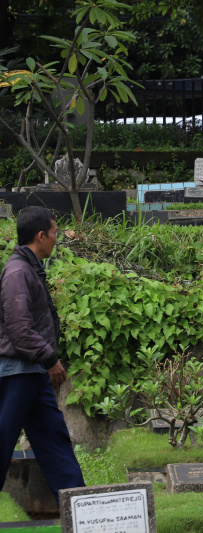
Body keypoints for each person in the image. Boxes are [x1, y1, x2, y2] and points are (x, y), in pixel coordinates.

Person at [0, 206, 85, 502]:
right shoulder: (17, 272)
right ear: (40, 236)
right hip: (17, 373)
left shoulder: (29, 268)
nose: (55, 240)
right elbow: (19, 329)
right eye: (53, 234)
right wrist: (50, 359)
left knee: (54, 441)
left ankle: (79, 508)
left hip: (32, 373)